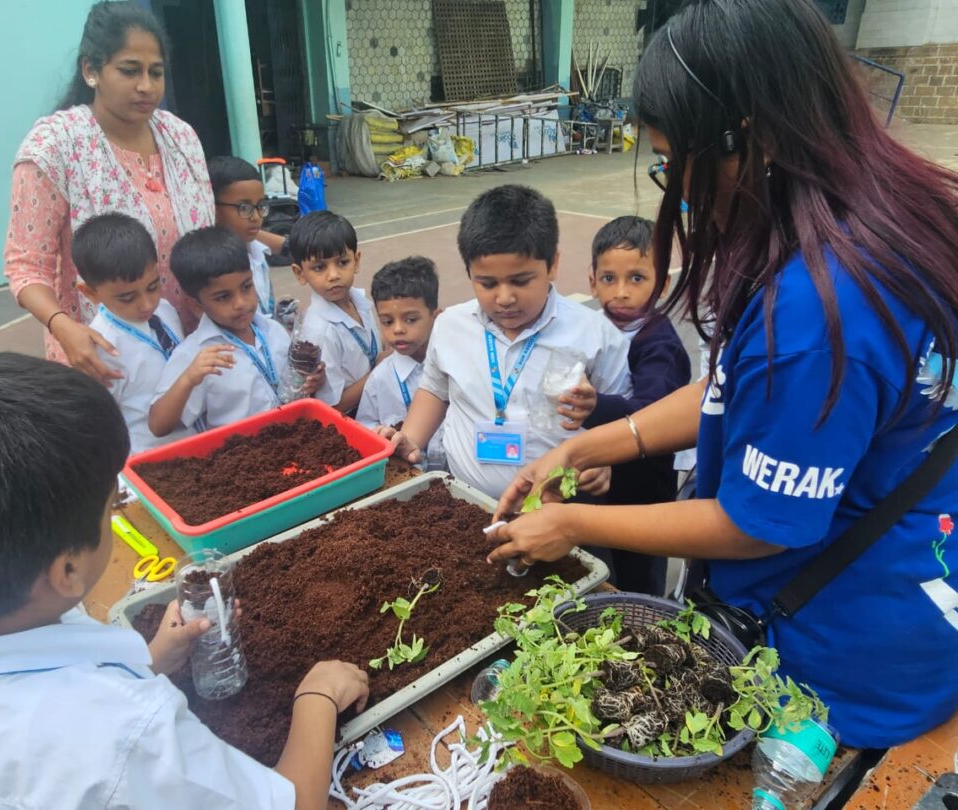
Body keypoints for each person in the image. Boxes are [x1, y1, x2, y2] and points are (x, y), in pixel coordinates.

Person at [488, 0, 958, 749]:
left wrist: (572, 523)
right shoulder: (887, 216)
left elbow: (755, 523)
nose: (674, 189)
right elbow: (741, 395)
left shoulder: (814, 314)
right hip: (908, 593)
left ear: (752, 138)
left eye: (672, 161)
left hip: (833, 660)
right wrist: (582, 448)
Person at [0, 353, 368, 809]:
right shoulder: (128, 730)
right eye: (111, 507)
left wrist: (153, 660)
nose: (115, 514)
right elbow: (294, 802)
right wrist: (316, 697)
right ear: (68, 571)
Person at [4, 1, 214, 380]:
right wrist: (63, 327)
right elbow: (25, 267)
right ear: (91, 70)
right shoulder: (54, 147)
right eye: (129, 70)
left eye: (156, 72)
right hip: (100, 357)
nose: (146, 86)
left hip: (188, 347)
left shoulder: (180, 138)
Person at [387, 185, 632, 500]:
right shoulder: (450, 326)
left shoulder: (596, 334)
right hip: (465, 503)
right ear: (469, 272)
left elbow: (622, 418)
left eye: (520, 281)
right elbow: (435, 390)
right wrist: (411, 440)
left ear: (553, 265)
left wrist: (605, 459)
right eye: (487, 283)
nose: (504, 298)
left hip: (560, 510)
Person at [580, 216, 692, 594]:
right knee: (599, 568)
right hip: (597, 481)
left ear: (663, 284)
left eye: (637, 278)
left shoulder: (660, 345)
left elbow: (652, 414)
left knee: (639, 576)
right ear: (592, 281)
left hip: (643, 489)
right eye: (609, 278)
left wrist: (595, 406)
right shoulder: (586, 329)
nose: (621, 292)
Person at [149, 227, 323, 436]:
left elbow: (295, 385)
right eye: (223, 297)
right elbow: (158, 426)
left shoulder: (273, 331)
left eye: (246, 286)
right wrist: (188, 379)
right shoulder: (194, 356)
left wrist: (312, 380)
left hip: (296, 438)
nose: (240, 303)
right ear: (196, 304)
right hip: (242, 452)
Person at [73, 212, 192, 454]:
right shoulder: (101, 348)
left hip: (193, 437)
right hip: (148, 453)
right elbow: (103, 419)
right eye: (127, 298)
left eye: (153, 287)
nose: (147, 304)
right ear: (90, 293)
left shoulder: (165, 311)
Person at [290, 211, 384, 414]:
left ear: (356, 261)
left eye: (342, 262)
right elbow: (333, 407)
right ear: (300, 274)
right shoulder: (320, 332)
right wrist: (379, 371)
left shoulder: (360, 301)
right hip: (354, 418)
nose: (333, 275)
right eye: (319, 267)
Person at [356, 257, 446, 468]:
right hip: (407, 473)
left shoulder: (453, 367)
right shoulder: (380, 378)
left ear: (437, 317)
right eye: (387, 322)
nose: (397, 329)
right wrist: (381, 435)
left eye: (410, 319)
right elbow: (365, 425)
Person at [208, 156, 285, 321]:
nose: (256, 216)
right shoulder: (214, 266)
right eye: (244, 208)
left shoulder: (258, 251)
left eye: (261, 206)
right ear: (213, 208)